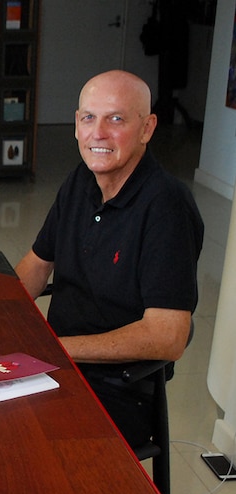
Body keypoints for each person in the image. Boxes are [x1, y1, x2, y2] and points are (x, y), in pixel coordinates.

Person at [15, 70, 204, 448]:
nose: (98, 133)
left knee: (15, 442)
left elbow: (169, 337)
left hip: (118, 390)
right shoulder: (80, 181)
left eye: (116, 119)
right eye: (88, 118)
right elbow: (35, 267)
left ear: (147, 128)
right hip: (56, 367)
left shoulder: (166, 206)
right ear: (76, 124)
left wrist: (57, 349)